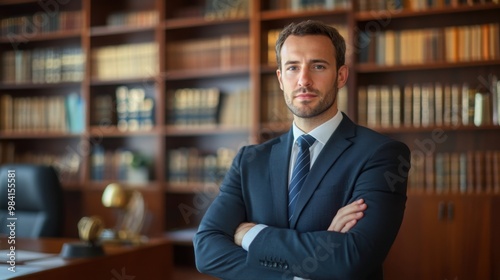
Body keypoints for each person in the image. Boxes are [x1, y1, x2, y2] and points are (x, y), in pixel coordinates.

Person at [193, 20, 411, 280]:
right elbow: (206, 250)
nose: (304, 80)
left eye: (318, 66)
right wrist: (304, 270)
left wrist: (250, 234)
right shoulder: (250, 161)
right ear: (280, 79)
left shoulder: (382, 154)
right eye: (293, 67)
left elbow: (353, 258)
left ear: (341, 76)